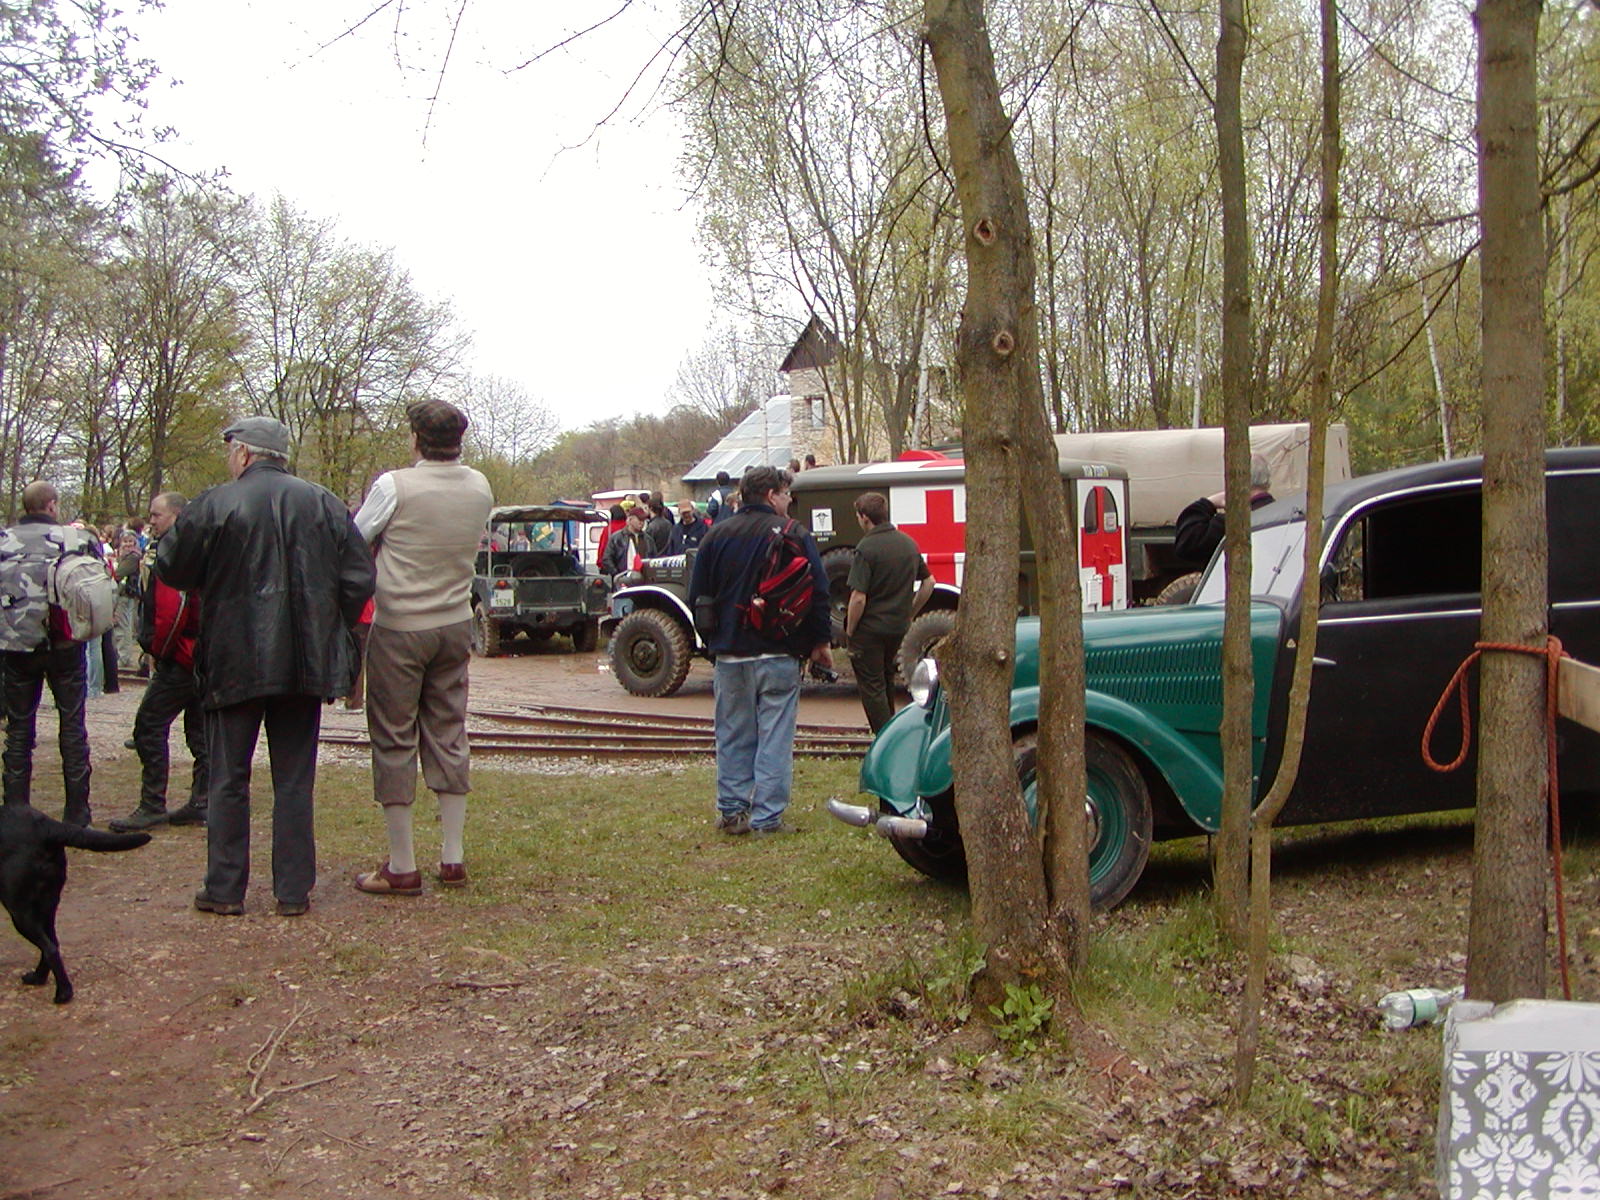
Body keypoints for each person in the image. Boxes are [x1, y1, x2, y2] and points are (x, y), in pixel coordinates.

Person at [158, 416, 375, 917]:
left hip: (232, 657)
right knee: (294, 778)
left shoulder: (215, 502)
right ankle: (293, 890)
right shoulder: (323, 503)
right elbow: (359, 578)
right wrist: (327, 624)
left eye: (230, 449)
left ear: (244, 453)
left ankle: (224, 888)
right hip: (303, 660)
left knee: (227, 777)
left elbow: (174, 566)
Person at [349, 400, 494, 896]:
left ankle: (402, 864)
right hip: (454, 624)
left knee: (394, 737)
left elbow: (354, 538)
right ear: (459, 440)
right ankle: (452, 857)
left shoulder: (394, 486)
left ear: (416, 438)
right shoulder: (479, 486)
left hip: (399, 626)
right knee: (449, 730)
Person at [688, 465, 832, 836]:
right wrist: (819, 643)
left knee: (733, 734)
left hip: (731, 653)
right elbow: (818, 592)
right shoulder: (794, 533)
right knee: (775, 737)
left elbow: (698, 597)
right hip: (780, 651)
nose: (789, 501)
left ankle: (733, 811)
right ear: (771, 495)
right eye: (786, 494)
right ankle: (768, 818)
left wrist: (714, 643)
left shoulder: (716, 536)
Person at [108, 492, 208, 832]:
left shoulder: (174, 551)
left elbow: (170, 610)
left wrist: (158, 649)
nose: (151, 521)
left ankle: (153, 804)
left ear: (176, 516)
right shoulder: (200, 546)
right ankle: (202, 801)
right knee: (200, 733)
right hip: (202, 656)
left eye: (156, 515)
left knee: (148, 727)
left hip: (180, 657)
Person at [0, 482, 97, 826]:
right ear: (52, 505)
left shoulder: (3, 541)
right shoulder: (76, 540)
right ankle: (78, 814)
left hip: (16, 645)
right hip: (65, 643)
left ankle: (15, 812)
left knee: (18, 730)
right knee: (72, 726)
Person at [844, 492, 935, 733]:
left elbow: (858, 598)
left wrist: (850, 630)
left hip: (869, 630)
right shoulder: (908, 543)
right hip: (897, 628)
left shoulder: (866, 548)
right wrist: (910, 612)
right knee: (886, 680)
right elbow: (929, 582)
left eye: (857, 516)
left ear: (865, 517)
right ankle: (892, 730)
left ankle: (884, 738)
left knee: (872, 687)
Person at [1173, 453, 1276, 568]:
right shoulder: (1284, 515)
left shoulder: (1231, 523)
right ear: (1267, 482)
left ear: (1236, 481)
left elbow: (1186, 545)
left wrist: (1208, 503)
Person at [602, 507, 649, 584]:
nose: (642, 523)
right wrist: (618, 575)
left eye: (643, 520)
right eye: (639, 520)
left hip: (644, 581)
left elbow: (653, 558)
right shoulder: (616, 538)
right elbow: (607, 559)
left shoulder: (648, 539)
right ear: (630, 519)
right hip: (623, 581)